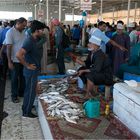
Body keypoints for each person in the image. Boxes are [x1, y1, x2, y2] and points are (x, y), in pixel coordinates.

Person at [16, 20, 46, 118]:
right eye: (42, 30)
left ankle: (26, 107)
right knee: (30, 91)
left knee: (29, 90)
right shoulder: (30, 41)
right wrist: (27, 65)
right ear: (37, 30)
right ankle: (26, 112)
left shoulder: (35, 39)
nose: (43, 32)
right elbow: (19, 55)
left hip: (34, 70)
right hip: (31, 71)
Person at [5, 17, 27, 103]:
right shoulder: (10, 32)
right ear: (18, 23)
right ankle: (14, 96)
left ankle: (21, 93)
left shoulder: (24, 32)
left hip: (23, 59)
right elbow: (8, 48)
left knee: (23, 77)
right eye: (23, 25)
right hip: (14, 60)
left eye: (25, 26)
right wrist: (9, 61)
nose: (24, 27)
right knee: (14, 79)